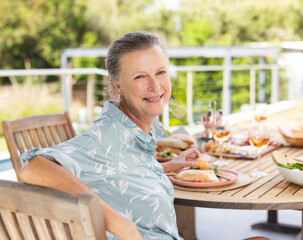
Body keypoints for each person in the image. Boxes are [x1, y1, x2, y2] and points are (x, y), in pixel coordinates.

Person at [20, 31, 270, 240]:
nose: (155, 86)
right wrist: (119, 224)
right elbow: (32, 168)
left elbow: (117, 171)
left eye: (160, 72)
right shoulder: (107, 135)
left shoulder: (134, 132)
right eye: (140, 76)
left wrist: (169, 166)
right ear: (118, 87)